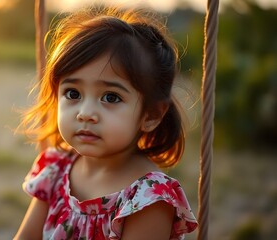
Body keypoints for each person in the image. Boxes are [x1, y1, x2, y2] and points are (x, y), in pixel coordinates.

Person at [14, 6, 198, 240]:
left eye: (111, 97)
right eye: (72, 93)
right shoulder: (56, 171)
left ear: (151, 115)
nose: (85, 113)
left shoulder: (148, 198)